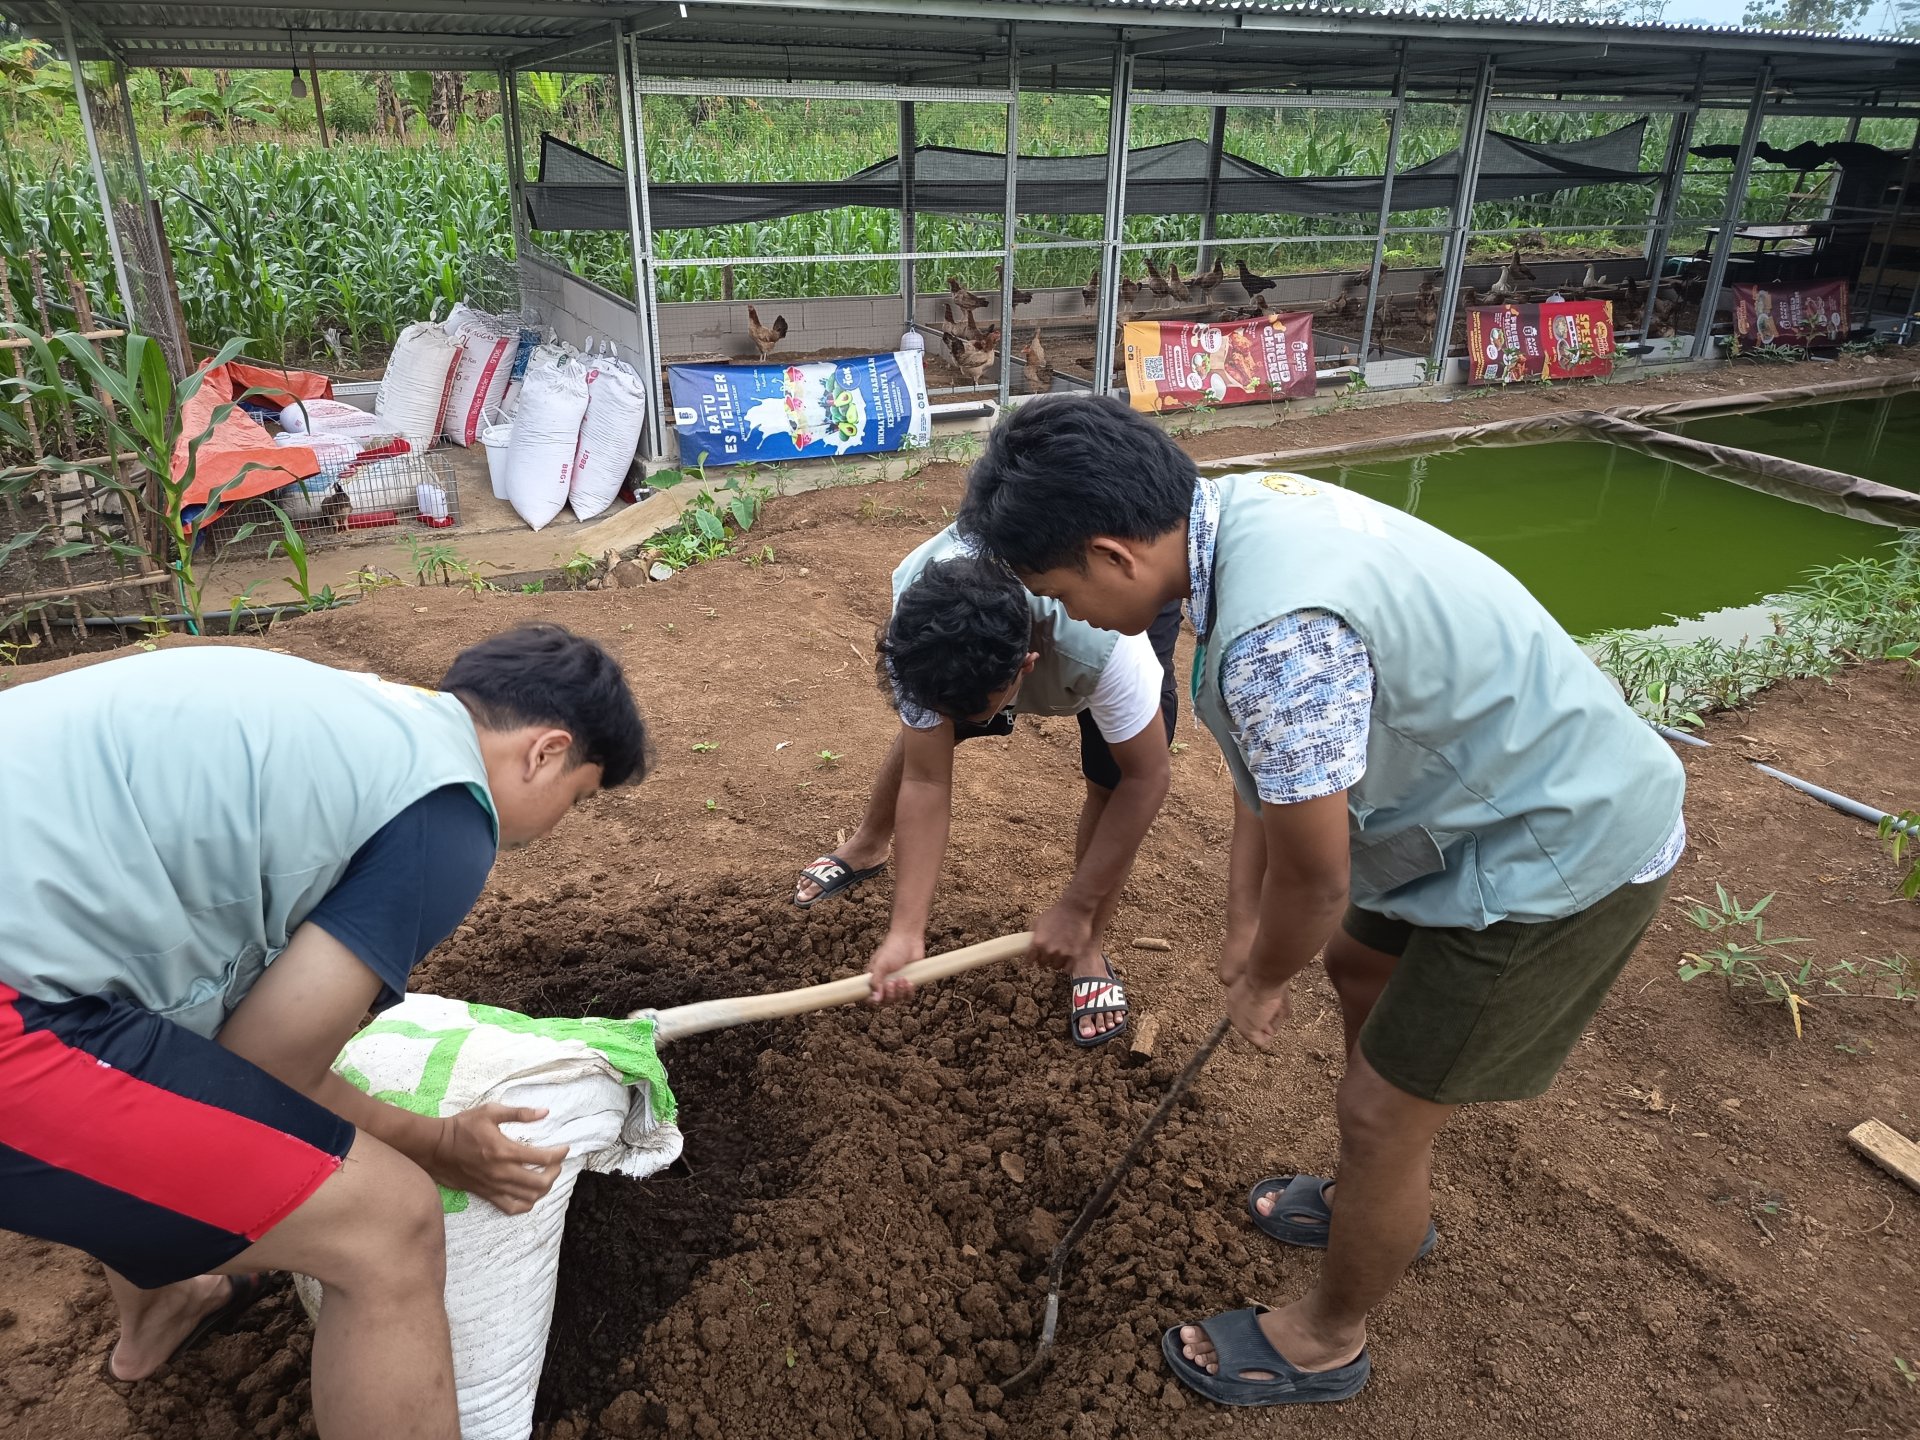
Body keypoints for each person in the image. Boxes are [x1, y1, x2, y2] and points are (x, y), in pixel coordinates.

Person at [959, 395, 1686, 1408]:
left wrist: (1259, 973)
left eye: (1058, 591)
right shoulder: (1231, 517)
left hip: (1555, 844)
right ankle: (1367, 1200)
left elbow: (1319, 875)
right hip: (1473, 794)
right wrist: (1244, 923)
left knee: (1382, 1114)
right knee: (1354, 962)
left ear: (1115, 557)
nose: (1069, 618)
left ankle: (1327, 1339)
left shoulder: (1274, 638)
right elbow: (1285, 776)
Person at [0, 624, 649, 1440]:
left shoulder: (357, 717)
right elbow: (264, 1067)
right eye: (580, 796)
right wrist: (438, 1143)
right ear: (546, 753)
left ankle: (167, 1306)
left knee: (148, 1057)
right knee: (390, 1223)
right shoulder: (447, 814)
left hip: (35, 941)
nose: (560, 822)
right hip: (12, 1011)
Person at [793, 530, 1180, 1045]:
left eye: (977, 712)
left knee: (1109, 779)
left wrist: (1076, 910)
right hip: (980, 633)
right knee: (924, 743)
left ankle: (1087, 945)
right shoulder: (920, 612)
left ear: (1025, 669)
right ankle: (868, 844)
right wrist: (907, 930)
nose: (953, 723)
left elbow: (1144, 780)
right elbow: (926, 778)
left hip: (1117, 591)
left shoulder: (1110, 649)